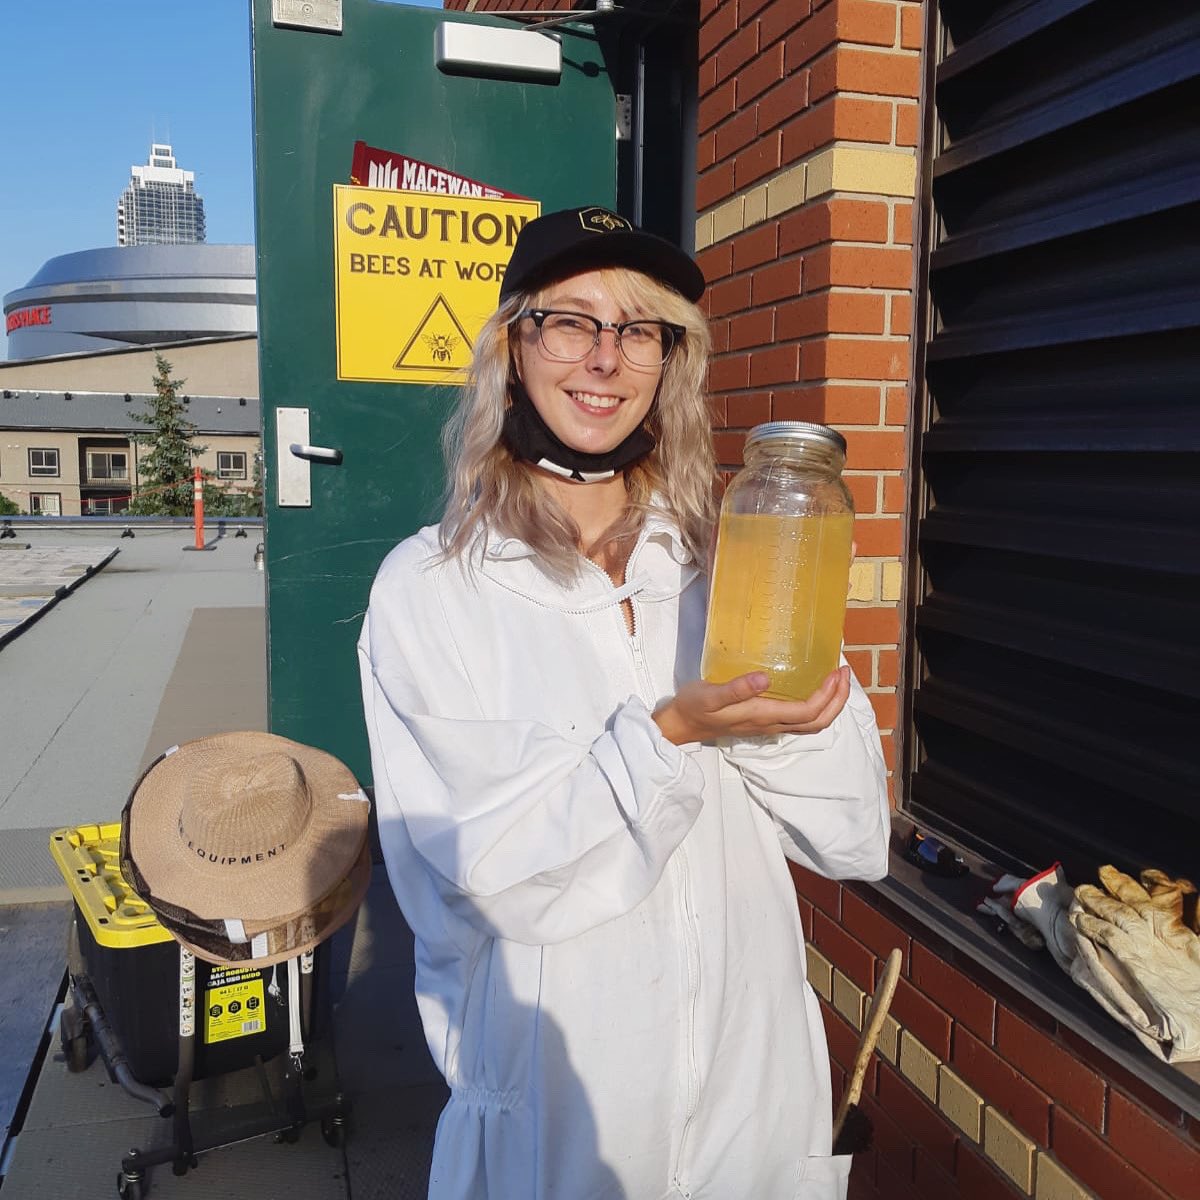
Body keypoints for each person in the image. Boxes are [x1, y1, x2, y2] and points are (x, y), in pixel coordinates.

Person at [358, 205, 891, 1200]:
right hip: (563, 1099)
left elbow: (851, 835)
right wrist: (676, 732)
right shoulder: (434, 589)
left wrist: (787, 708)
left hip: (751, 1074)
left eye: (636, 329)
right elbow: (501, 873)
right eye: (570, 321)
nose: (603, 358)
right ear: (513, 346)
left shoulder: (719, 568)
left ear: (667, 364)